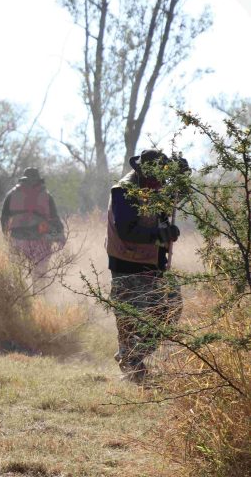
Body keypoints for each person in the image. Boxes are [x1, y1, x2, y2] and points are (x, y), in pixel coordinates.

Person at [106, 149, 188, 383]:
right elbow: (127, 230)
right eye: (156, 175)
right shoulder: (124, 191)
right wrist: (159, 234)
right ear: (142, 171)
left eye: (163, 176)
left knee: (170, 310)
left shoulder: (155, 187)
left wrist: (183, 177)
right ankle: (132, 366)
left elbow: (175, 197)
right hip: (127, 265)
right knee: (131, 321)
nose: (160, 181)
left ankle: (131, 357)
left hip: (154, 264)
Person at [0, 168, 65, 279]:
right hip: (40, 240)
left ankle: (19, 295)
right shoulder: (46, 195)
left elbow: (4, 218)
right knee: (40, 276)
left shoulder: (11, 194)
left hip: (17, 239)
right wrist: (60, 237)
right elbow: (55, 219)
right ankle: (40, 295)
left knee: (17, 275)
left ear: (23, 179)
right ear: (38, 179)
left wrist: (6, 236)